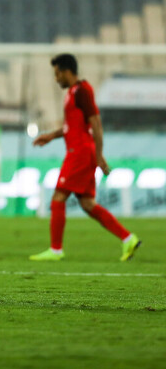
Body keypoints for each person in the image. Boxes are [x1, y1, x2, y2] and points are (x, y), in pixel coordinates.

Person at [30, 54, 141, 262]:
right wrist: (51, 136)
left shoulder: (83, 90)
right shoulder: (72, 92)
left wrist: (99, 156)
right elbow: (70, 127)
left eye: (57, 74)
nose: (56, 79)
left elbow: (96, 123)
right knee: (88, 204)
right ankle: (128, 238)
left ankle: (55, 250)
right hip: (81, 152)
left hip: (80, 153)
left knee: (58, 197)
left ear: (66, 71)